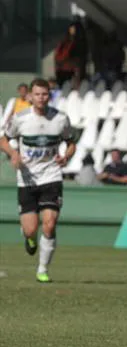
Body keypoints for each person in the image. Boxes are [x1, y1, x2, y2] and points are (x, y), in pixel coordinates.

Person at [0, 78, 75, 283]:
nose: (41, 98)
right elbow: (3, 140)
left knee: (49, 225)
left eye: (45, 94)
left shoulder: (60, 119)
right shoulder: (21, 118)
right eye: (37, 94)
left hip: (51, 176)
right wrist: (14, 154)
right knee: (30, 229)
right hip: (27, 179)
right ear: (30, 96)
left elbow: (71, 143)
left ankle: (42, 269)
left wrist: (66, 156)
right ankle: (30, 238)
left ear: (49, 96)